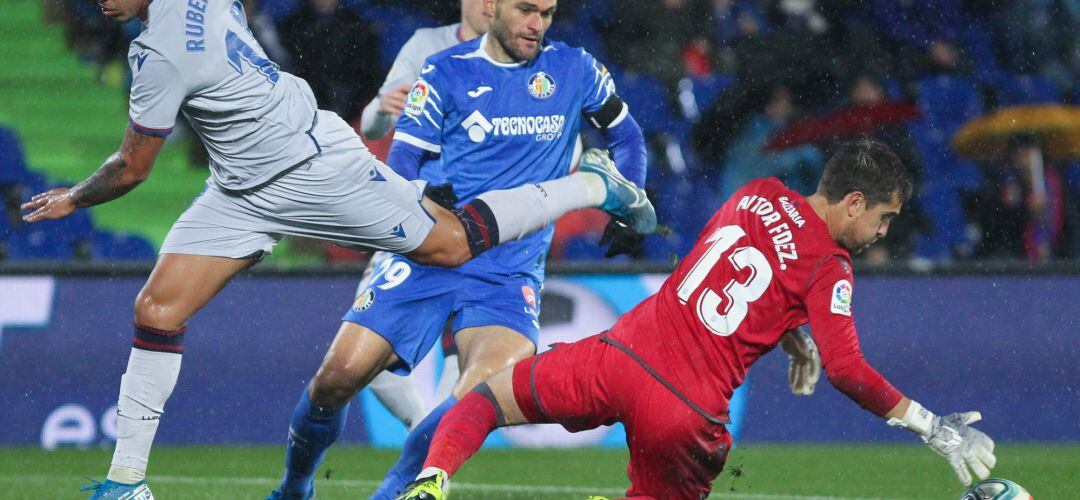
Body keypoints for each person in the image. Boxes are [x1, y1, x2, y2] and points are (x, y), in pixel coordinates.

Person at [19, 1, 655, 498]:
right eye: (526, 10)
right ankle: (132, 483)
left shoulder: (159, 55)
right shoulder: (434, 62)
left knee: (454, 252)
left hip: (315, 167)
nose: (99, 1)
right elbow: (398, 141)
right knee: (163, 312)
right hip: (239, 187)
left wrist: (75, 198)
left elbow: (133, 169)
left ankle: (589, 182)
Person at [397, 139, 997, 500]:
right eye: (884, 219)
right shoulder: (830, 266)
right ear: (855, 202)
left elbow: (717, 265)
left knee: (484, 403)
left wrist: (789, 331)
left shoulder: (757, 193)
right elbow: (847, 369)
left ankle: (431, 482)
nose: (882, 234)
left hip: (620, 356)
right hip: (685, 414)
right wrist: (929, 425)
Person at [271, 0, 653, 498]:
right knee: (335, 380)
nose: (537, 25)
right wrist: (417, 195)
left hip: (508, 272)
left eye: (548, 13)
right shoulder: (445, 71)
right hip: (429, 253)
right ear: (492, 8)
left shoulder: (576, 69)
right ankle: (294, 489)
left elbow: (627, 136)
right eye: (525, 10)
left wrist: (632, 197)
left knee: (474, 394)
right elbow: (403, 160)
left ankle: (391, 494)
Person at [356, 0, 492, 438]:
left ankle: (433, 451)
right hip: (419, 214)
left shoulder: (526, 61)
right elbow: (375, 125)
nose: (491, 5)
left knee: (466, 353)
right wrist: (381, 105)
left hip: (485, 223)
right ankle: (423, 431)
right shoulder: (426, 46)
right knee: (363, 353)